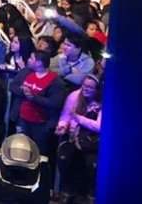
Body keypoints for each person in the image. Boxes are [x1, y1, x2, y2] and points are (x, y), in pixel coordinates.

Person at [55, 74, 102, 203]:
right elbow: (65, 116)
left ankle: (90, 194)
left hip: (91, 140)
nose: (86, 89)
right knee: (64, 158)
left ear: (97, 90)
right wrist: (62, 126)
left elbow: (99, 127)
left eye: (90, 88)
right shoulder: (74, 96)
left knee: (92, 165)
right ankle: (66, 190)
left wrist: (78, 118)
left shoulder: (101, 103)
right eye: (84, 86)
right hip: (72, 136)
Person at [9, 51, 66, 154]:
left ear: (39, 62)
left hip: (41, 124)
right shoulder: (27, 72)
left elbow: (55, 103)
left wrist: (34, 97)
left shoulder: (55, 81)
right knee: (20, 150)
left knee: (37, 152)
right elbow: (13, 86)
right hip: (22, 119)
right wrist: (23, 91)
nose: (28, 60)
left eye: (31, 58)